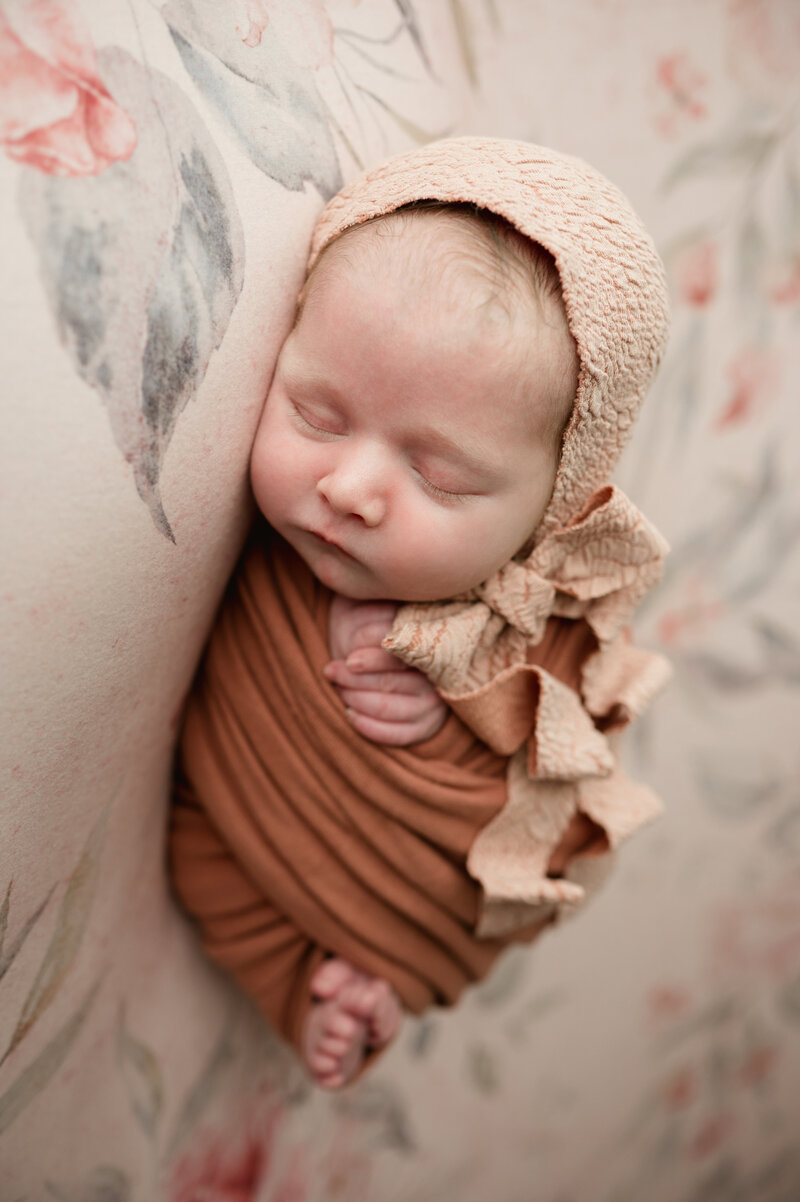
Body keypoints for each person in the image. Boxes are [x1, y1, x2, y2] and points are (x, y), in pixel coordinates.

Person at [170, 137, 672, 1090]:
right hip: (251, 828)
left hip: (431, 890)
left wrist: (462, 696)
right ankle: (315, 984)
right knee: (207, 866)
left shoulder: (548, 600)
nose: (349, 488)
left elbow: (557, 782)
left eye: (438, 477)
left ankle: (354, 990)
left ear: (553, 503)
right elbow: (233, 756)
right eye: (317, 415)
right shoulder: (271, 557)